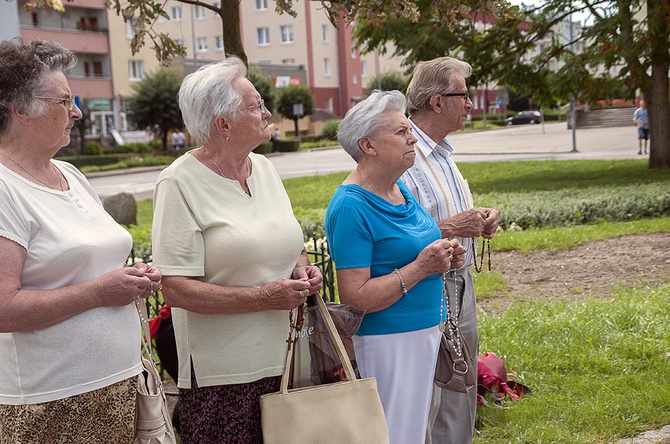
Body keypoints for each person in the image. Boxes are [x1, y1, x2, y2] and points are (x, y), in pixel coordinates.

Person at [151, 56, 323, 443]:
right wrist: (263, 297)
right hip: (223, 377)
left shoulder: (264, 168)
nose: (266, 113)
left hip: (289, 360)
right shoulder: (178, 182)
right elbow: (175, 288)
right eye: (255, 106)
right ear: (223, 123)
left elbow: (287, 242)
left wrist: (301, 267)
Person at [0, 38, 162, 442]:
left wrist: (131, 278)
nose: (77, 112)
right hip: (50, 404)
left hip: (118, 386)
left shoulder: (70, 175)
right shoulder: (5, 187)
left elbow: (89, 264)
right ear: (21, 110)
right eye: (65, 101)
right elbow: (4, 309)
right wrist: (101, 291)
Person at [325, 90, 466, 444]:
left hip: (421, 335)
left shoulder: (399, 188)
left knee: (412, 434)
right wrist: (421, 267)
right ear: (368, 145)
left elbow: (412, 249)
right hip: (385, 344)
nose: (413, 138)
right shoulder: (350, 207)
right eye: (401, 132)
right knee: (391, 435)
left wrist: (444, 256)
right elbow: (355, 296)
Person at [401, 57, 500, 444]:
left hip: (459, 279)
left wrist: (481, 220)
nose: (472, 103)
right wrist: (455, 226)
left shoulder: (442, 153)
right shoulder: (406, 152)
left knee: (461, 381)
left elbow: (447, 213)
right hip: (428, 284)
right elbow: (398, 231)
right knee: (435, 389)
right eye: (464, 95)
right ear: (438, 102)